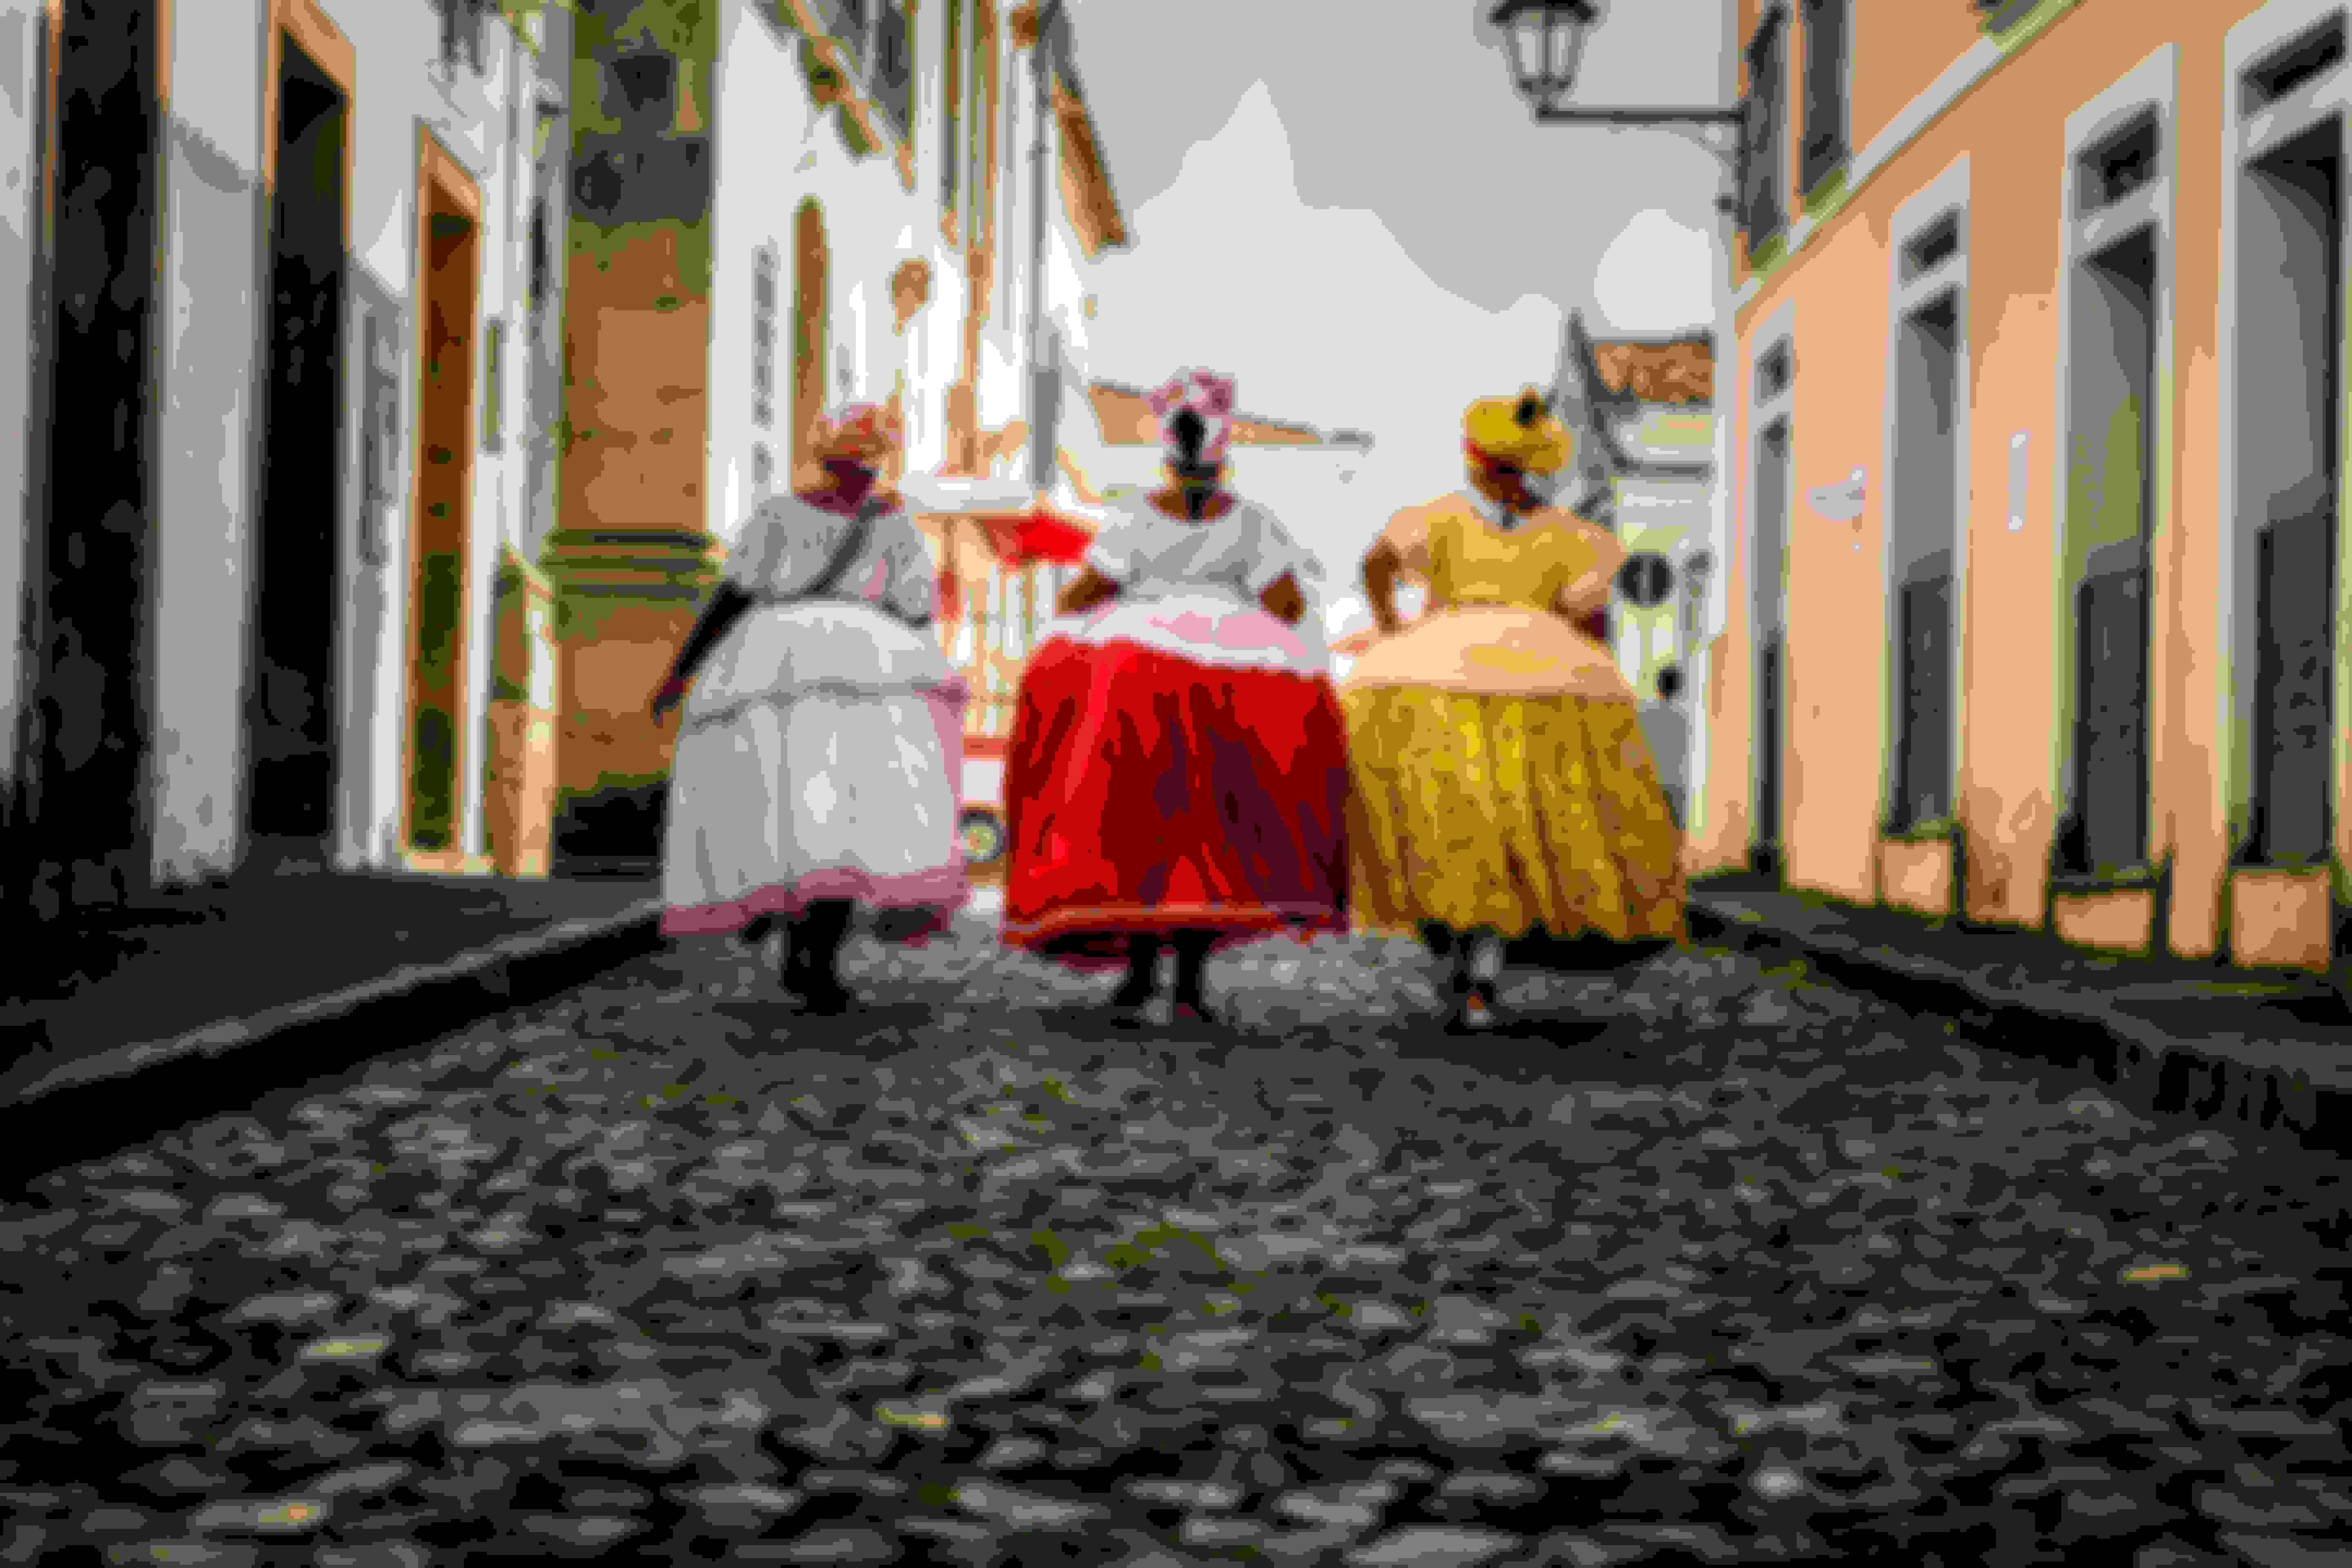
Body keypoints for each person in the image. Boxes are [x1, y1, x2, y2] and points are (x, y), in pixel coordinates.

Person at [1000, 368, 1350, 1026]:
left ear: (1166, 450)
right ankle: (1189, 989)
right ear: (1224, 453)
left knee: (1133, 817)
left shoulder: (1133, 516)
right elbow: (1286, 601)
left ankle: (1136, 979)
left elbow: (1088, 593)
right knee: (1211, 826)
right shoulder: (1253, 523)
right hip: (1233, 680)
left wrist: (1098, 602)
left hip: (1136, 675)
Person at [1343, 388, 1686, 1034]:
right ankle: (1479, 978)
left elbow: (1376, 563)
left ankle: (1467, 968)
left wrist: (1391, 627)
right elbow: (1588, 613)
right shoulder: (1567, 537)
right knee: (1512, 834)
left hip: (1434, 676)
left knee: (1452, 823)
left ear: (1475, 459)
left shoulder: (1439, 519)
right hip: (1541, 676)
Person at [650, 403, 970, 1014]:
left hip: (773, 662)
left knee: (786, 809)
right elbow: (916, 608)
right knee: (850, 817)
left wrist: (680, 673)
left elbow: (734, 595)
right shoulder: (896, 528)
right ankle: (817, 955)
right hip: (866, 667)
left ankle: (794, 937)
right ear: (875, 467)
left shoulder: (778, 513)